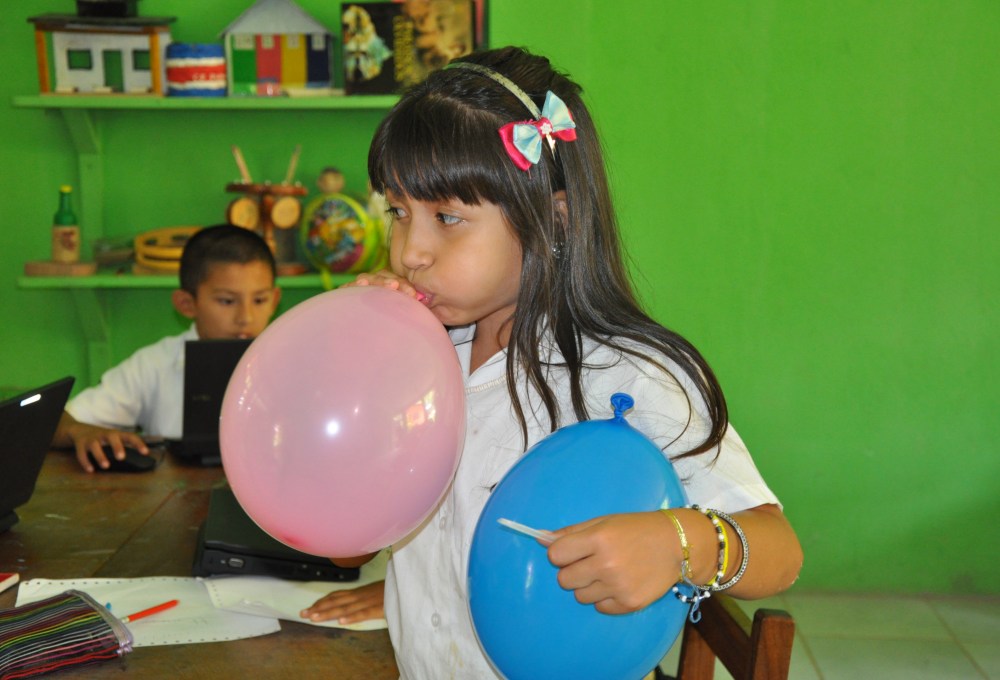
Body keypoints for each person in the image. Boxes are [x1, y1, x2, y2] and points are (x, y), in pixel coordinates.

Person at [341, 46, 804, 678]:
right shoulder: (422, 356)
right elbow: (348, 540)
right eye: (398, 212)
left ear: (552, 222)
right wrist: (359, 374)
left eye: (447, 217)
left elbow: (780, 551)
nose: (411, 251)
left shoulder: (632, 375)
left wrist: (682, 542)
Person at [52, 224, 282, 472]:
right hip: (177, 502)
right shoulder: (154, 365)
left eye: (259, 300)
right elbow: (55, 421)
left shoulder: (297, 361)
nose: (245, 317)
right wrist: (79, 431)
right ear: (186, 304)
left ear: (275, 301)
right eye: (227, 301)